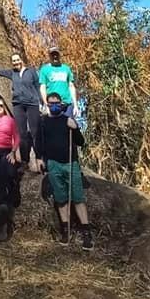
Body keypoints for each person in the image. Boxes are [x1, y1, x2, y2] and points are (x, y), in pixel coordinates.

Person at [35, 92, 93, 249]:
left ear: (61, 104)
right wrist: (39, 158)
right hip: (53, 164)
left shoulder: (67, 120)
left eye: (56, 103)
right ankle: (65, 231)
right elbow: (38, 140)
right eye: (50, 103)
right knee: (60, 199)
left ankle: (86, 233)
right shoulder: (43, 122)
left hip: (70, 162)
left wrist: (75, 129)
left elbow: (81, 142)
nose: (54, 105)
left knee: (78, 198)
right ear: (47, 104)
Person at [0, 51, 41, 168]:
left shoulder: (31, 72)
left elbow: (37, 86)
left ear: (21, 60)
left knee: (35, 132)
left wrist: (40, 101)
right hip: (18, 105)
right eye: (13, 61)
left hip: (32, 104)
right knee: (22, 133)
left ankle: (39, 158)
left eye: (17, 60)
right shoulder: (12, 73)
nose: (16, 62)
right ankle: (25, 161)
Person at [39, 47, 78, 117]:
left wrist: (75, 105)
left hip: (67, 104)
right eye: (52, 54)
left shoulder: (66, 68)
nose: (55, 56)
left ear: (59, 55)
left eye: (56, 54)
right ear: (49, 56)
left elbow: (71, 86)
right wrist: (46, 105)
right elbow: (42, 88)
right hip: (52, 105)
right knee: (53, 127)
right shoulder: (44, 69)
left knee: (69, 125)